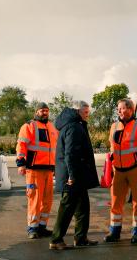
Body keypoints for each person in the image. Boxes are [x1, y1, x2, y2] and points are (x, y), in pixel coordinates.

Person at [50, 101, 100, 250]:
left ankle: (81, 238)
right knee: (67, 207)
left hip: (77, 174)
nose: (87, 115)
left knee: (83, 207)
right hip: (72, 175)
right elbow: (70, 154)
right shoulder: (74, 127)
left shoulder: (74, 124)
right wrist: (71, 175)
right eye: (86, 113)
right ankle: (56, 239)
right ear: (78, 111)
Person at [104, 98, 137, 244]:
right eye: (118, 109)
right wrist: (111, 164)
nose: (119, 111)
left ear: (130, 109)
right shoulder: (114, 126)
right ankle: (114, 232)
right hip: (118, 170)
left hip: (135, 170)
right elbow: (112, 146)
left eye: (122, 108)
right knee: (116, 201)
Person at [16, 102, 58, 239]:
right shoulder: (29, 126)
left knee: (48, 200)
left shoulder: (52, 127)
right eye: (42, 110)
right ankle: (32, 228)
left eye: (46, 110)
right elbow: (21, 145)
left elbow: (55, 149)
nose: (45, 113)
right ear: (36, 112)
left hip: (49, 170)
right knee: (35, 199)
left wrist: (57, 167)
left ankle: (42, 227)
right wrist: (21, 163)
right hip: (34, 170)